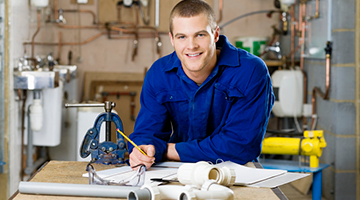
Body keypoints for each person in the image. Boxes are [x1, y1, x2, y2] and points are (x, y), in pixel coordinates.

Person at [128, 0, 274, 169]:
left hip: (236, 170)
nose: (191, 46)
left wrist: (166, 149)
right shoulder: (159, 74)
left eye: (200, 35)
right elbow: (146, 134)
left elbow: (240, 146)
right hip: (177, 169)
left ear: (216, 34)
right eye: (182, 37)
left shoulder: (250, 71)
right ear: (172, 39)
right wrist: (143, 150)